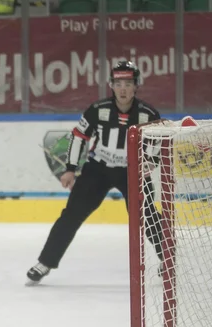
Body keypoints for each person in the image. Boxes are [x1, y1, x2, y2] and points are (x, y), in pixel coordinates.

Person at [26, 60, 165, 285]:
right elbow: (79, 137)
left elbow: (157, 142)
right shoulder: (98, 110)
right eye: (118, 83)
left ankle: (167, 259)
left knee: (148, 217)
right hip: (98, 170)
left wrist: (150, 162)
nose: (123, 89)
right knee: (70, 215)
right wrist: (70, 169)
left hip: (133, 172)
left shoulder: (148, 114)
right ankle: (45, 263)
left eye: (128, 84)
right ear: (111, 85)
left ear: (136, 86)